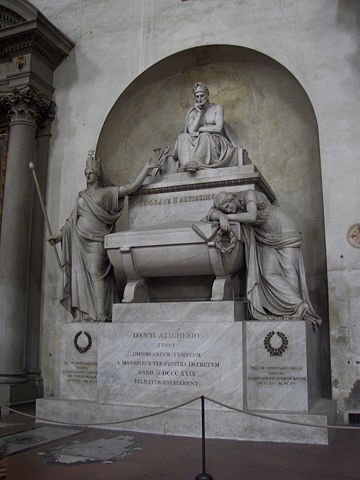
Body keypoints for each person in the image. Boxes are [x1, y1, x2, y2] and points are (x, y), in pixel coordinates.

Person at [49, 151, 155, 322]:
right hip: (79, 240)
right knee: (81, 276)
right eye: (86, 173)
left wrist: (145, 169)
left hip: (97, 240)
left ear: (97, 175)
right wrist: (60, 236)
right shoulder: (81, 196)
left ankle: (100, 314)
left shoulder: (106, 193)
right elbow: (71, 220)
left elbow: (130, 188)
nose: (88, 175)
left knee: (96, 274)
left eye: (91, 173)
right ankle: (86, 314)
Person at [206, 190, 321, 327]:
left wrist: (226, 217)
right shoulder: (231, 209)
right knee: (268, 273)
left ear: (231, 198)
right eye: (225, 210)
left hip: (284, 230)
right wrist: (220, 216)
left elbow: (252, 217)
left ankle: (296, 312)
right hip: (264, 237)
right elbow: (210, 213)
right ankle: (296, 305)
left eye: (227, 208)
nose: (229, 211)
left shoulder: (249, 195)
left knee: (288, 269)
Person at [173, 82, 241, 172]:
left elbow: (218, 128)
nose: (199, 99)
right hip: (197, 139)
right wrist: (199, 113)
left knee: (204, 135)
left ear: (207, 95)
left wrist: (200, 130)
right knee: (182, 137)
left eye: (202, 95)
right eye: (197, 97)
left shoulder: (217, 108)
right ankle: (186, 165)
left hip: (214, 140)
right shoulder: (193, 112)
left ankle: (196, 162)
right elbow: (191, 131)